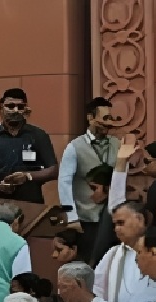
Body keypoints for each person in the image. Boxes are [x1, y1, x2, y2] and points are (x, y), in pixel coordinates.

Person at [59, 97, 120, 249]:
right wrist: (71, 217)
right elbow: (64, 183)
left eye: (111, 118)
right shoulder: (74, 147)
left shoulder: (118, 144)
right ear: (90, 118)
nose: (109, 123)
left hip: (113, 218)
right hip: (86, 219)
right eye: (105, 118)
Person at [0, 88, 57, 203]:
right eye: (10, 106)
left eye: (20, 107)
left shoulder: (38, 135)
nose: (15, 110)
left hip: (31, 203)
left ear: (25, 109)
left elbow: (54, 170)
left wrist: (27, 176)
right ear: (1, 108)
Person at [94, 202, 148, 302]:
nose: (116, 229)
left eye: (121, 223)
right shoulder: (113, 253)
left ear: (140, 220)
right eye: (115, 224)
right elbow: (97, 288)